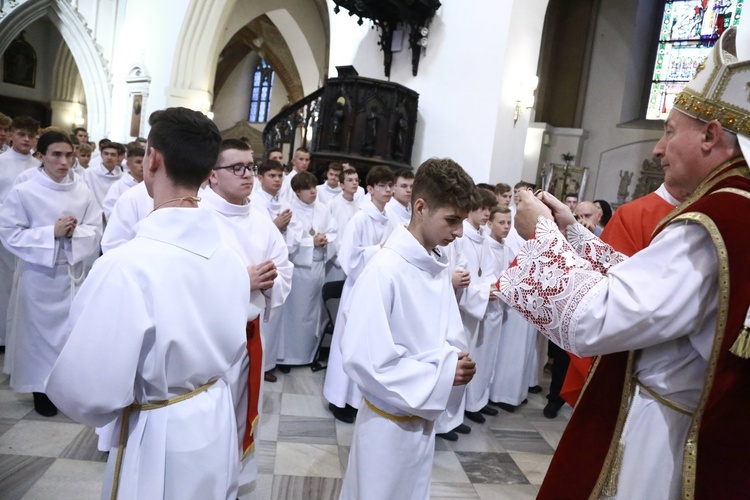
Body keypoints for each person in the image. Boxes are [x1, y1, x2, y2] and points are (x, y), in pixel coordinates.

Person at [498, 26, 750, 498]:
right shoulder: (738, 209)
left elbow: (597, 320)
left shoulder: (713, 222)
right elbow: (651, 292)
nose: (657, 148)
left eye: (670, 131)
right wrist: (572, 234)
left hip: (664, 436)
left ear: (711, 136)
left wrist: (539, 236)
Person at [46, 107, 253, 499]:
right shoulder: (229, 259)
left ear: (152, 159)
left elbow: (85, 391)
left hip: (159, 432)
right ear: (209, 170)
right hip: (215, 418)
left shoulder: (127, 266)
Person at [339, 157, 479, 500]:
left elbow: (447, 338)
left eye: (462, 221)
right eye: (452, 220)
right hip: (387, 422)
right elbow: (363, 359)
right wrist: (444, 372)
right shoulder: (384, 270)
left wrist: (453, 363)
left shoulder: (434, 267)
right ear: (420, 207)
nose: (459, 232)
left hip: (420, 420)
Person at [202, 138, 293, 483]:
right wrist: (244, 280)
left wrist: (268, 282)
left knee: (241, 413)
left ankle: (232, 479)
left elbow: (283, 268)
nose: (247, 175)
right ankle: (208, 480)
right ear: (212, 175)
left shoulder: (259, 220)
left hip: (249, 337)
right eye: (236, 168)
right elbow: (189, 280)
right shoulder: (197, 217)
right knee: (214, 418)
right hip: (209, 342)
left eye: (250, 167)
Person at [0, 130, 102, 416]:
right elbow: (9, 232)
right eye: (56, 154)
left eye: (69, 155)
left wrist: (73, 233)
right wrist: (50, 234)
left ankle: (64, 388)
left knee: (70, 335)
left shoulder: (82, 189)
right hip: (38, 275)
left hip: (71, 273)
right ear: (40, 156)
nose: (65, 161)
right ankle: (40, 388)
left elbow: (95, 228)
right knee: (37, 337)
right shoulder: (25, 191)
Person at [323, 165, 396, 423]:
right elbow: (348, 257)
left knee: (365, 345)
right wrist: (379, 249)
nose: (389, 190)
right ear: (371, 189)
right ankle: (338, 399)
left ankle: (356, 399)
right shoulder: (360, 218)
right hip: (357, 287)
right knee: (347, 343)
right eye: (383, 186)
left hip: (376, 290)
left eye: (391, 185)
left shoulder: (389, 217)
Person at [446, 188, 499, 424]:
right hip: (461, 308)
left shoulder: (483, 238)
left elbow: (487, 271)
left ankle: (472, 405)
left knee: (479, 358)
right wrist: (482, 292)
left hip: (479, 305)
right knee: (460, 360)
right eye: (482, 209)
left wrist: (489, 288)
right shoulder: (460, 235)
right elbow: (458, 274)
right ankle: (450, 417)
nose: (487, 214)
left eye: (489, 209)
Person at [276, 171, 337, 368]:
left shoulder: (323, 209)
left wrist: (326, 239)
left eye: (314, 187)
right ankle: (287, 358)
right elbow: (287, 241)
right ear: (296, 191)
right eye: (308, 189)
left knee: (313, 315)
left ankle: (308, 355)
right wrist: (311, 241)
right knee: (294, 315)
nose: (313, 191)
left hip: (318, 268)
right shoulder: (289, 210)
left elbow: (334, 232)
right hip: (298, 270)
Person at [0, 116, 40, 351]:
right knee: (4, 285)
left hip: (30, 234)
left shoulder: (39, 167)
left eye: (32, 136)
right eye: (22, 134)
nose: (27, 139)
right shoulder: (2, 162)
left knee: (24, 285)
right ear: (12, 134)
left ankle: (19, 335)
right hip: (4, 231)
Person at [326, 167, 362, 282]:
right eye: (350, 180)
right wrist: (336, 258)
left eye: (356, 180)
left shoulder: (360, 206)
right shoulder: (332, 204)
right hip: (335, 259)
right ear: (341, 185)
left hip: (353, 258)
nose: (354, 183)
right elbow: (328, 231)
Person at [102, 145, 144, 220]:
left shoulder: (151, 186)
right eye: (138, 162)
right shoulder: (118, 186)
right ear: (128, 164)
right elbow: (109, 211)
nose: (142, 165)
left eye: (145, 162)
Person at [84, 141, 123, 208]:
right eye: (106, 154)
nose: (109, 157)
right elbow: (84, 197)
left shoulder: (123, 177)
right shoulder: (89, 173)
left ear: (118, 157)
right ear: (101, 155)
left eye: (113, 155)